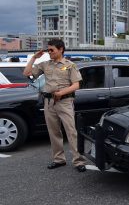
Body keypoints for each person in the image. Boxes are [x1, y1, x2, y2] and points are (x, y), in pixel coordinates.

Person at [23, 39, 87, 172]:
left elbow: (76, 84)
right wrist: (34, 57)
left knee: (71, 131)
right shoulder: (45, 64)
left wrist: (62, 92)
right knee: (53, 132)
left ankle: (78, 160)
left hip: (64, 101)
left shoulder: (70, 65)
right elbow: (27, 73)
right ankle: (59, 159)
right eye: (48, 50)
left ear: (61, 49)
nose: (49, 52)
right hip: (49, 102)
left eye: (51, 50)